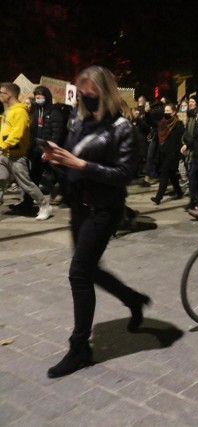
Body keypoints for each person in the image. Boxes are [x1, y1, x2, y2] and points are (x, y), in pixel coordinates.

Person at [41, 66, 150, 378]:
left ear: (106, 93)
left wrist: (82, 164)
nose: (86, 99)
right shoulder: (79, 122)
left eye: (92, 94)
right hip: (79, 207)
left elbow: (124, 175)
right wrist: (58, 160)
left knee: (78, 273)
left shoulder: (121, 128)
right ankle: (134, 299)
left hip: (104, 210)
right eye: (82, 94)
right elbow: (73, 166)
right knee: (89, 270)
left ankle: (80, 349)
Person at [0, 82, 53, 219]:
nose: (0, 95)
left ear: (9, 95)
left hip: (17, 156)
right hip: (4, 155)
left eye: (2, 92)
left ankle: (44, 204)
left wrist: (2, 146)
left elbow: (17, 134)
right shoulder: (8, 111)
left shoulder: (20, 112)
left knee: (26, 184)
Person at [10, 86, 66, 212]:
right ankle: (27, 203)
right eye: (36, 97)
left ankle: (68, 198)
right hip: (36, 150)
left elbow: (57, 132)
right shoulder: (35, 112)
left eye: (40, 97)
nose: (38, 99)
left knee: (61, 175)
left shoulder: (54, 112)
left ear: (47, 97)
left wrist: (50, 148)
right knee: (32, 177)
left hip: (49, 150)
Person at [150, 103, 185, 204]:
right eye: (165, 111)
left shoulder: (178, 124)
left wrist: (180, 155)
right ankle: (178, 192)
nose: (166, 113)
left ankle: (158, 197)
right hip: (163, 152)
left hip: (172, 154)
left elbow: (180, 140)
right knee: (172, 174)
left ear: (174, 112)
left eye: (168, 111)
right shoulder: (162, 123)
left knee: (164, 174)